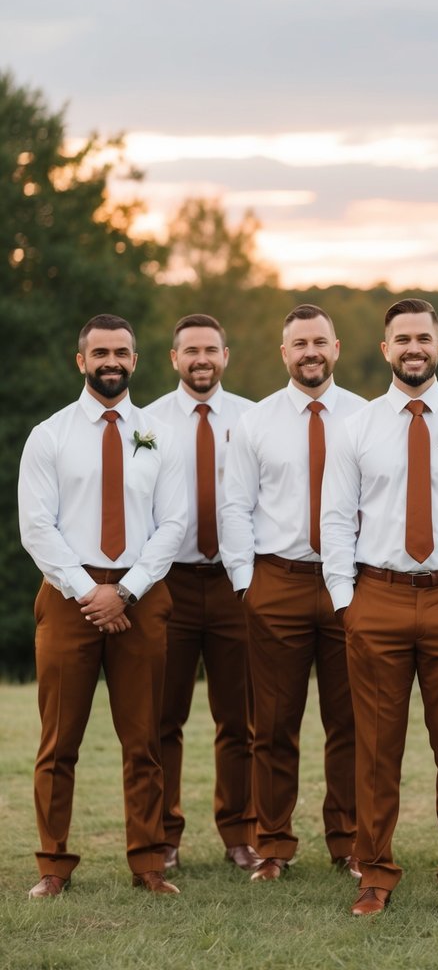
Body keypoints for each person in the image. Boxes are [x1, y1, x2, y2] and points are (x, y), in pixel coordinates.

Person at [322, 298, 438, 922]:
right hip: (376, 596)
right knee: (375, 749)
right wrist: (346, 601)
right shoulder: (356, 428)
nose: (413, 347)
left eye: (423, 337)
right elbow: (334, 519)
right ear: (385, 349)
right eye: (402, 338)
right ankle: (374, 874)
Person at [18, 313, 187, 897]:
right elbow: (37, 528)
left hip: (140, 596)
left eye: (121, 352)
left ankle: (147, 863)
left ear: (135, 361)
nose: (111, 361)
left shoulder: (160, 434)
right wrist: (90, 591)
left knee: (144, 740)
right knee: (58, 741)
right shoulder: (50, 435)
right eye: (100, 353)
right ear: (81, 360)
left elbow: (174, 523)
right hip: (70, 598)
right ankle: (52, 865)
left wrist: (128, 589)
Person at [220, 305, 365, 882]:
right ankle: (273, 845)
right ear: (284, 354)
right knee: (273, 725)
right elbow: (235, 505)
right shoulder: (256, 422)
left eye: (319, 342)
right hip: (276, 581)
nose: (310, 351)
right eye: (299, 343)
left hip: (349, 584)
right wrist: (245, 584)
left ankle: (350, 841)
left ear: (337, 347)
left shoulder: (366, 416)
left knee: (350, 722)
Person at [146, 314, 259, 873]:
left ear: (225, 355)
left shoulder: (253, 419)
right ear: (174, 359)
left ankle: (239, 832)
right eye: (190, 350)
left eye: (210, 349)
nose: (201, 359)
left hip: (236, 584)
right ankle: (164, 836)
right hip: (169, 585)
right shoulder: (144, 424)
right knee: (163, 718)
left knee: (239, 719)